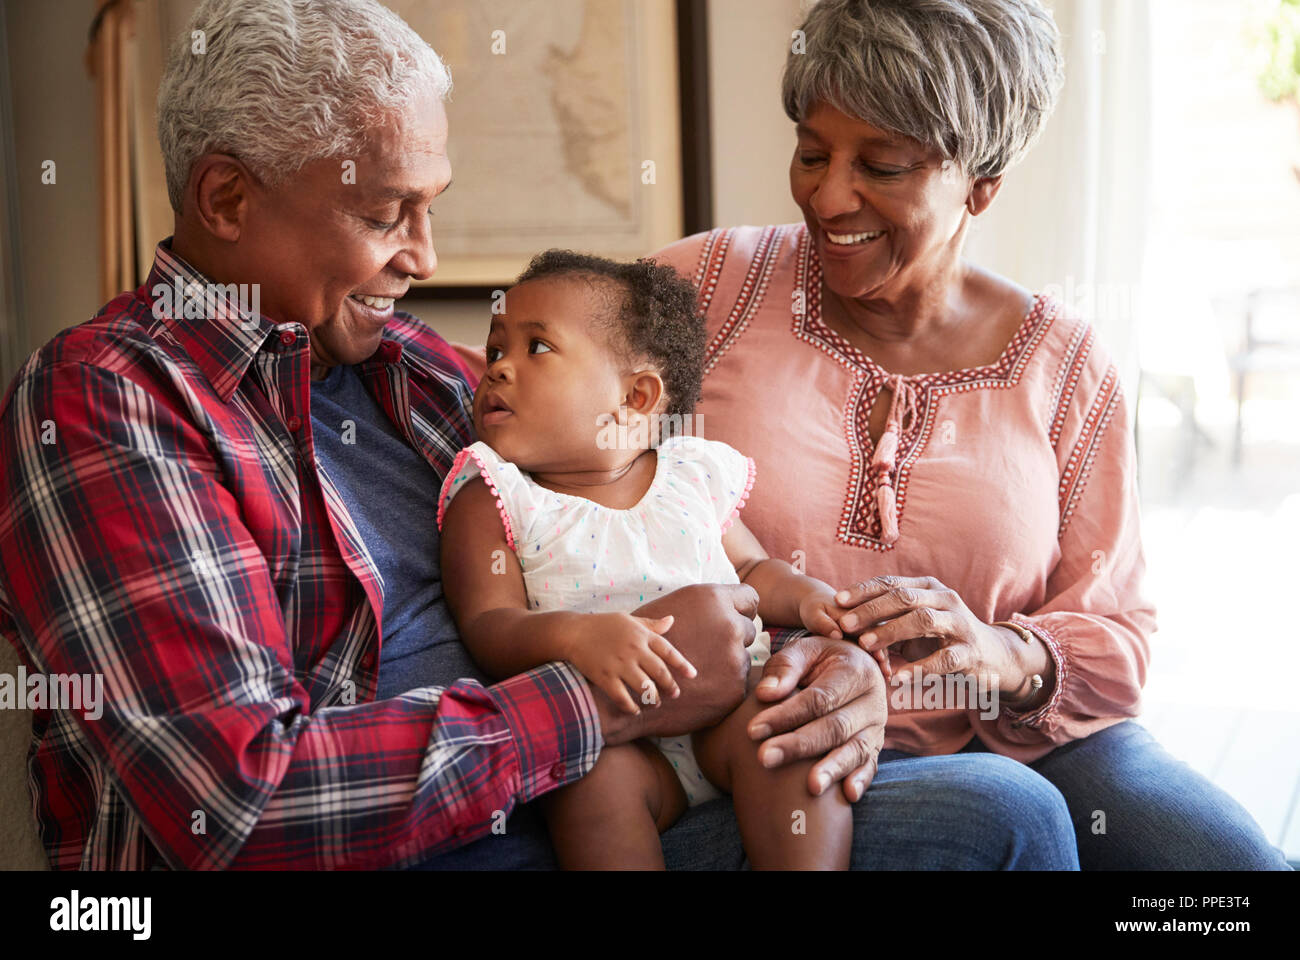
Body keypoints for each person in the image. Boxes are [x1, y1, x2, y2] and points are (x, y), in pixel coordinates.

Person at [0, 0, 1076, 870]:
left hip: (573, 803)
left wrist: (816, 671)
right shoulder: (108, 401)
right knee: (997, 819)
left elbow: (648, 543)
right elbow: (234, 804)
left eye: (430, 208)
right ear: (227, 198)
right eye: (385, 215)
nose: (422, 255)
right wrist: (606, 693)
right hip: (429, 838)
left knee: (1003, 807)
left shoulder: (414, 372)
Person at [635, 0, 1286, 869]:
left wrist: (999, 650)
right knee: (1009, 821)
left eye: (884, 165)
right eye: (812, 153)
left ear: (983, 182)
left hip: (1023, 734)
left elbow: (1116, 630)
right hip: (770, 747)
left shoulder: (1064, 363)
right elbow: (533, 402)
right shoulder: (704, 287)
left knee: (1228, 880)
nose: (829, 197)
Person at [439, 250, 905, 869]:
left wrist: (814, 599)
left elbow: (753, 573)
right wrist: (577, 636)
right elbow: (489, 625)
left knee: (787, 729)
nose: (498, 371)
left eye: (537, 349)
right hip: (619, 744)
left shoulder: (690, 474)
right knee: (591, 787)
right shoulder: (495, 492)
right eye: (496, 351)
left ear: (636, 396)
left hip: (729, 718)